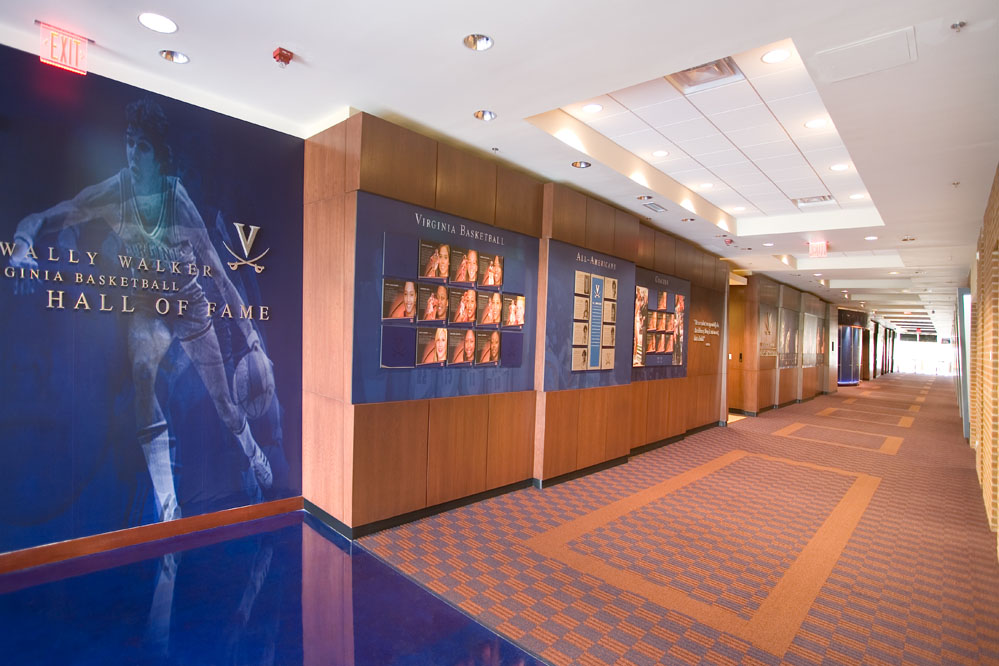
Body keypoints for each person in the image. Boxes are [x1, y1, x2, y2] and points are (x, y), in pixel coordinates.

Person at [8, 98, 272, 522]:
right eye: (129, 143)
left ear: (158, 154)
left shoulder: (177, 200)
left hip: (190, 307)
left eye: (142, 146)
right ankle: (169, 507)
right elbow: (42, 217)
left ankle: (253, 452)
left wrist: (253, 340)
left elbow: (221, 276)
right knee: (143, 373)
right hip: (150, 307)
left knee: (225, 405)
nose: (133, 153)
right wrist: (22, 247)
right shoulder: (116, 191)